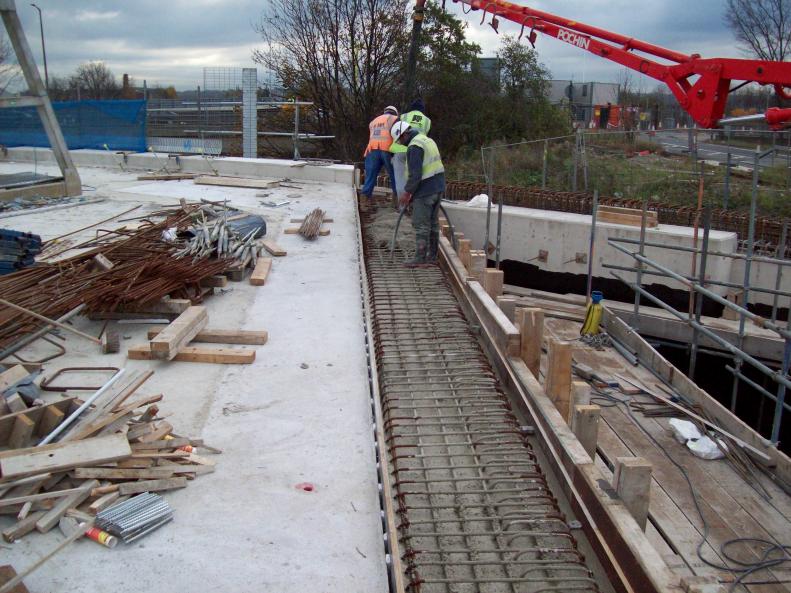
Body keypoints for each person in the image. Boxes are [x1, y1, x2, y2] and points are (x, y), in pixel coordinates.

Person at [391, 120, 445, 268]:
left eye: (400, 140)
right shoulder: (427, 140)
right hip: (438, 187)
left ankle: (420, 258)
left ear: (404, 135)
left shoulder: (414, 147)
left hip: (425, 190)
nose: (401, 144)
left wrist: (407, 193)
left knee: (421, 224)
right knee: (433, 224)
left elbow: (415, 174)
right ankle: (432, 256)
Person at [389, 98, 431, 201]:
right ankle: (413, 203)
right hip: (417, 151)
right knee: (414, 177)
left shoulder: (404, 116)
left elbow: (394, 132)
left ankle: (402, 206)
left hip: (400, 150)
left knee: (400, 179)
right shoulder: (427, 121)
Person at [360, 106, 399, 204]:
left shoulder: (373, 121)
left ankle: (364, 199)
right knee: (395, 175)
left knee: (370, 176)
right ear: (395, 113)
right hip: (388, 149)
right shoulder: (395, 119)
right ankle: (397, 200)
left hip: (372, 149)